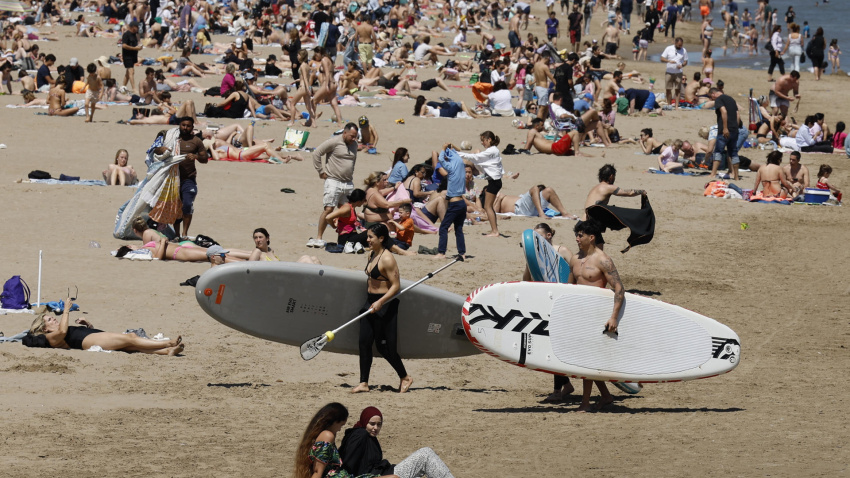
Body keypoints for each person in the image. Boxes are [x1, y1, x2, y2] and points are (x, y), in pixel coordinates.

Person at [568, 218, 625, 412]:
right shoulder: (574, 259)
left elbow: (619, 288)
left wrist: (614, 317)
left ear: (591, 238)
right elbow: (569, 289)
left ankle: (585, 403)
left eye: (580, 235)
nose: (577, 238)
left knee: (588, 360)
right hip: (580, 315)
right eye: (576, 235)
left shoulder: (603, 260)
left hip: (597, 315)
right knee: (584, 360)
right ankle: (606, 397)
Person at [353, 224, 413, 394]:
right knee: (364, 342)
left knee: (384, 347)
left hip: (385, 305)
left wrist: (381, 302)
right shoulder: (372, 254)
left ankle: (405, 377)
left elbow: (396, 286)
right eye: (368, 236)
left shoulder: (387, 259)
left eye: (371, 237)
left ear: (381, 239)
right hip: (370, 301)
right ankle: (364, 383)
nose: (367, 240)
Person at [520, 223, 575, 401]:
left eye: (539, 236)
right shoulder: (536, 257)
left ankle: (560, 390)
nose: (535, 240)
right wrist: (530, 261)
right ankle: (564, 386)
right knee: (552, 347)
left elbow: (575, 273)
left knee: (558, 346)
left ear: (549, 235)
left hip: (564, 304)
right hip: (547, 304)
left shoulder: (563, 251)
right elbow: (526, 280)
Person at [26, 299, 184, 355]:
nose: (54, 319)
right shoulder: (49, 337)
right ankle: (167, 343)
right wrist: (66, 309)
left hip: (90, 337)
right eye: (49, 320)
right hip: (88, 341)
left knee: (132, 347)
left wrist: (88, 325)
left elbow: (67, 331)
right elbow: (62, 331)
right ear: (44, 328)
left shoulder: (58, 332)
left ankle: (167, 351)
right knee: (132, 338)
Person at [339, 406, 455, 478]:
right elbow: (347, 464)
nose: (375, 428)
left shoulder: (367, 436)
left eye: (379, 425)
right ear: (364, 421)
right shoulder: (360, 435)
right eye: (372, 424)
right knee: (426, 454)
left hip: (386, 473)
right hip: (383, 475)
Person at [294, 402, 396, 478]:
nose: (340, 429)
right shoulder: (327, 436)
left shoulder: (324, 436)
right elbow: (317, 472)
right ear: (334, 422)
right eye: (341, 425)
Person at [309, 123, 359, 248]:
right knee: (329, 209)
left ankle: (345, 239)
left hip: (348, 182)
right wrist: (320, 171)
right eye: (352, 136)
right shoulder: (334, 142)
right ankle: (319, 237)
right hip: (333, 181)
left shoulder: (355, 145)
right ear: (345, 133)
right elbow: (317, 153)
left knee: (348, 212)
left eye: (356, 137)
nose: (354, 139)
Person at [457, 131, 504, 238]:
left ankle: (495, 231)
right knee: (488, 207)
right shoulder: (493, 150)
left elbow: (476, 157)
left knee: (488, 207)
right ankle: (494, 230)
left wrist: (457, 153)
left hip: (494, 182)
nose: (482, 143)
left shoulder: (492, 150)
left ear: (489, 140)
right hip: (494, 181)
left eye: (483, 140)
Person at [432, 145, 466, 260]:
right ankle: (462, 253)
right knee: (459, 228)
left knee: (443, 227)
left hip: (455, 204)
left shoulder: (451, 169)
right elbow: (458, 153)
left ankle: (441, 252)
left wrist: (443, 148)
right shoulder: (461, 166)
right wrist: (452, 148)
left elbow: (440, 159)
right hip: (462, 203)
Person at [709, 87, 741, 180]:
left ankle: (713, 174)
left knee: (718, 151)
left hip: (725, 130)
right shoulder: (731, 99)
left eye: (711, 97)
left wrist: (725, 128)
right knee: (734, 153)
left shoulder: (719, 99)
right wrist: (736, 127)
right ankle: (736, 176)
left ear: (713, 94)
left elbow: (724, 111)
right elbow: (737, 115)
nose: (712, 99)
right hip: (734, 130)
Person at [493, 184, 577, 219]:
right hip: (519, 208)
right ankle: (541, 214)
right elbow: (494, 212)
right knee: (534, 188)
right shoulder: (493, 198)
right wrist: (499, 199)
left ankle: (564, 213)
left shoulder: (496, 194)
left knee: (549, 190)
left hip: (530, 207)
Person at [660, 37, 687, 110]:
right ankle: (669, 105)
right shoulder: (669, 48)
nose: (680, 47)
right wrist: (669, 61)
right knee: (668, 89)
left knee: (678, 89)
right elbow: (662, 58)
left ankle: (676, 106)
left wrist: (682, 65)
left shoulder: (683, 50)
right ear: (675, 43)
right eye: (678, 45)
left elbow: (685, 61)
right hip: (669, 72)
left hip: (678, 72)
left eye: (681, 45)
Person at [122, 21, 142, 93]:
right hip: (127, 55)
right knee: (131, 71)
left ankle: (123, 87)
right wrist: (134, 48)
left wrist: (139, 47)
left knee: (128, 73)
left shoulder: (135, 35)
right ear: (133, 27)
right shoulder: (126, 34)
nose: (138, 28)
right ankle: (134, 88)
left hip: (133, 55)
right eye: (137, 27)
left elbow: (135, 43)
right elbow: (124, 45)